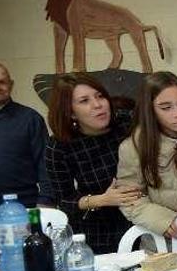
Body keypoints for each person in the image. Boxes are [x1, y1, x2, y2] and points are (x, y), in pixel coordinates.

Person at [44, 73, 141, 253]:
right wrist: (103, 199)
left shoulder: (126, 124)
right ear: (71, 112)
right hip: (95, 232)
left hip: (141, 220)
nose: (98, 105)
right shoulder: (59, 145)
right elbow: (64, 200)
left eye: (100, 96)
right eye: (84, 101)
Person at [116, 71, 177, 239]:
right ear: (150, 109)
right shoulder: (133, 146)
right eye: (166, 107)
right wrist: (163, 220)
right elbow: (129, 198)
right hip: (162, 241)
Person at [0, 60, 53, 236]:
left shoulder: (30, 119)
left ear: (11, 85)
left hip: (21, 205)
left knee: (21, 258)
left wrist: (45, 202)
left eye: (2, 81)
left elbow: (46, 165)